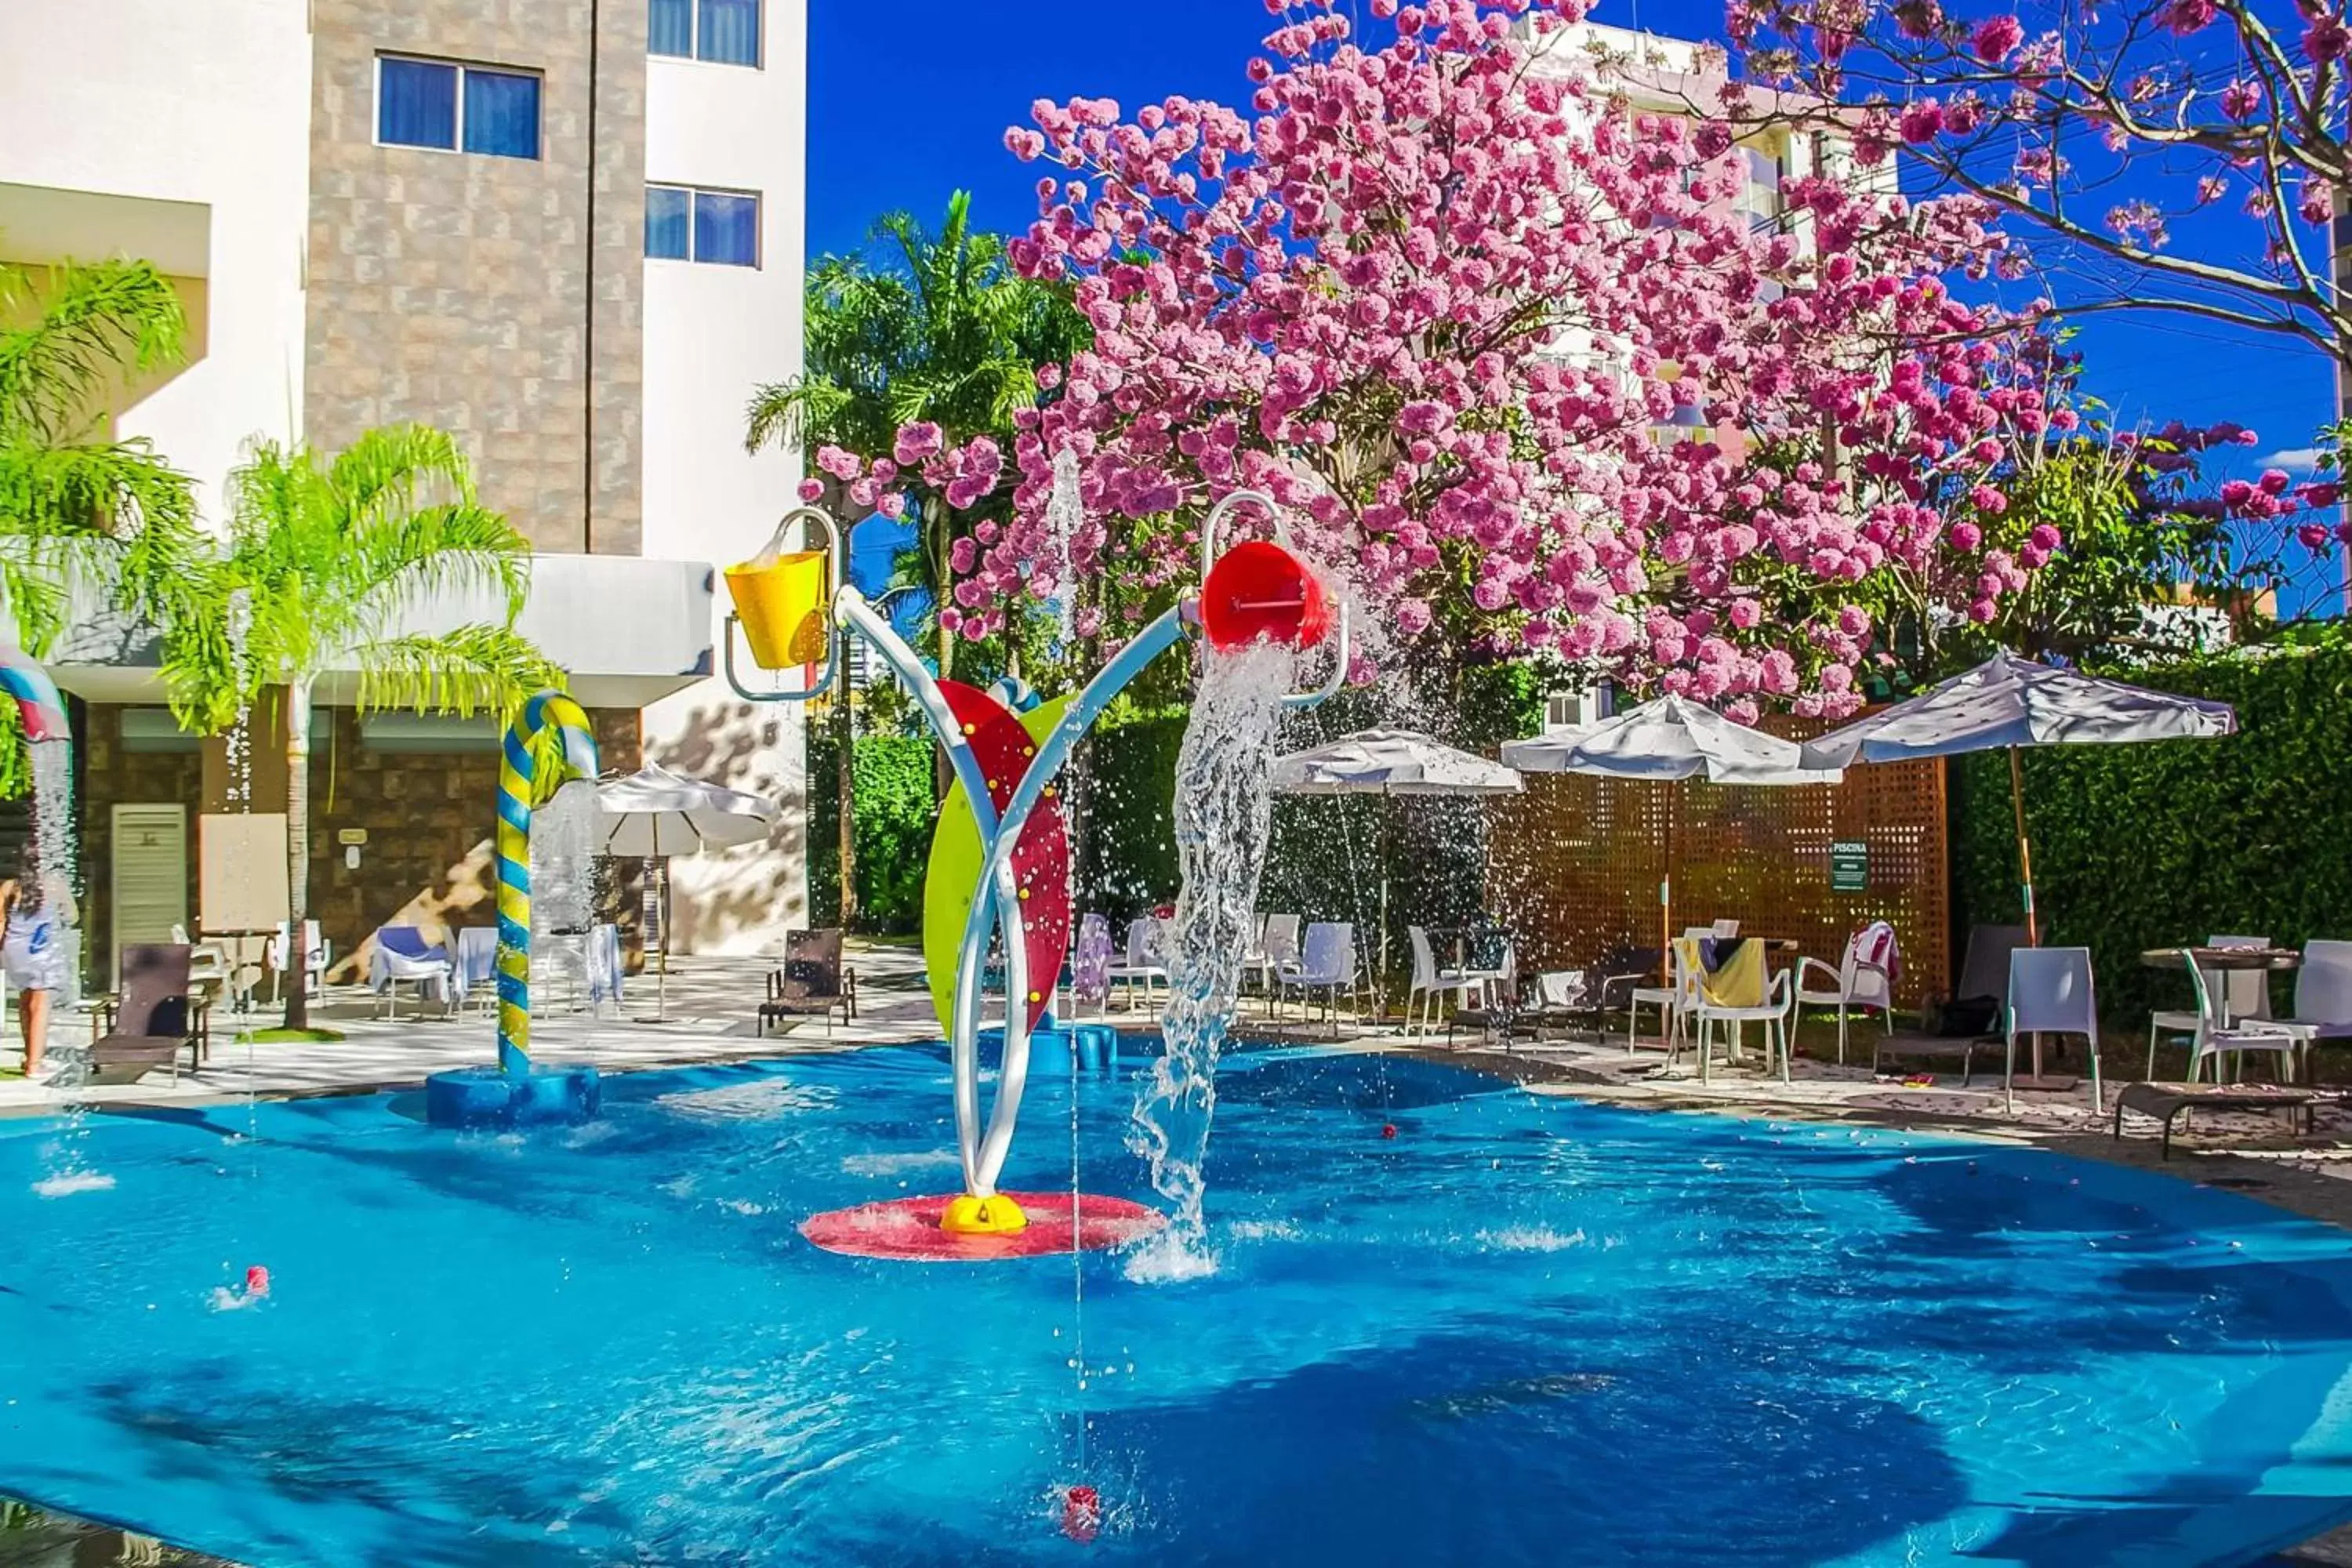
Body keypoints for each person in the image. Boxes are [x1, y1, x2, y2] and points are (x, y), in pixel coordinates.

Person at [1, 855, 75, 1079]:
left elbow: (1, 921)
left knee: (26, 1002)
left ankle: (29, 1057)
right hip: (40, 951)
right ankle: (35, 1064)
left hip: (14, 953)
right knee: (40, 1006)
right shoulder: (55, 886)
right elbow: (72, 917)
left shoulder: (9, 886)